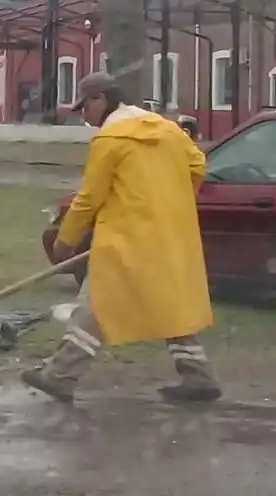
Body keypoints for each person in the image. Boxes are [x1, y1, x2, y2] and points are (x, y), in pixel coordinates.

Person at [23, 71, 221, 404]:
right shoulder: (168, 130)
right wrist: (170, 203)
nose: (85, 117)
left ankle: (59, 376)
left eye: (84, 108)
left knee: (96, 303)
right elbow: (198, 164)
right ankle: (198, 375)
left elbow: (89, 197)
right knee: (169, 302)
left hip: (127, 239)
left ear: (100, 99)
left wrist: (65, 240)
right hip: (170, 234)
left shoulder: (112, 138)